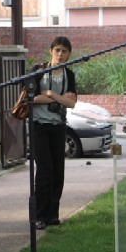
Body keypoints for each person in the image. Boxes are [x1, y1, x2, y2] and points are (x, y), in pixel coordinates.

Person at [29, 36, 77, 230]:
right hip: (39, 125)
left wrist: (50, 95)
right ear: (51, 51)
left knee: (58, 171)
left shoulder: (69, 75)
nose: (60, 54)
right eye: (57, 50)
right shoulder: (39, 71)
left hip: (58, 126)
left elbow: (72, 103)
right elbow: (31, 98)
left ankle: (53, 215)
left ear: (69, 54)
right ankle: (39, 215)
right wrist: (58, 99)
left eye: (64, 51)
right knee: (44, 170)